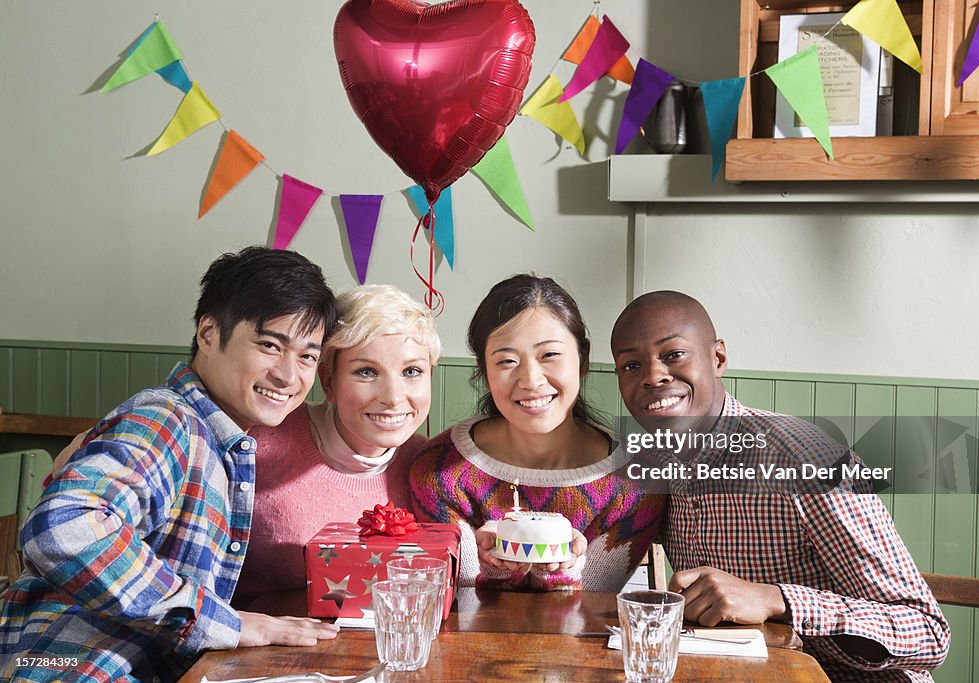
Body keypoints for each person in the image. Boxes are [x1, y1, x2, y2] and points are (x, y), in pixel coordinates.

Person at [0, 247, 342, 682]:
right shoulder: (167, 420)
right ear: (208, 333)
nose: (289, 375)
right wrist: (222, 622)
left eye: (307, 356)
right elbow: (63, 528)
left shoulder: (223, 441)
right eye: (270, 345)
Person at [610, 290, 950, 682]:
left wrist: (775, 599)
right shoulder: (656, 468)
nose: (653, 376)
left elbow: (928, 633)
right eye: (631, 365)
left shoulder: (807, 460)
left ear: (718, 358)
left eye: (673, 355)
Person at [409, 274, 664, 591]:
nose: (530, 380)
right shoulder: (438, 471)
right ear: (484, 370)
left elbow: (590, 606)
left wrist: (558, 567)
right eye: (507, 360)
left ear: (582, 359)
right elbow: (463, 602)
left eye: (549, 355)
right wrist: (497, 565)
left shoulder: (636, 480)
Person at [233, 284, 440, 603]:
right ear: (329, 381)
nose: (393, 397)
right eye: (367, 372)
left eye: (412, 371)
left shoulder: (431, 466)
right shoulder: (259, 441)